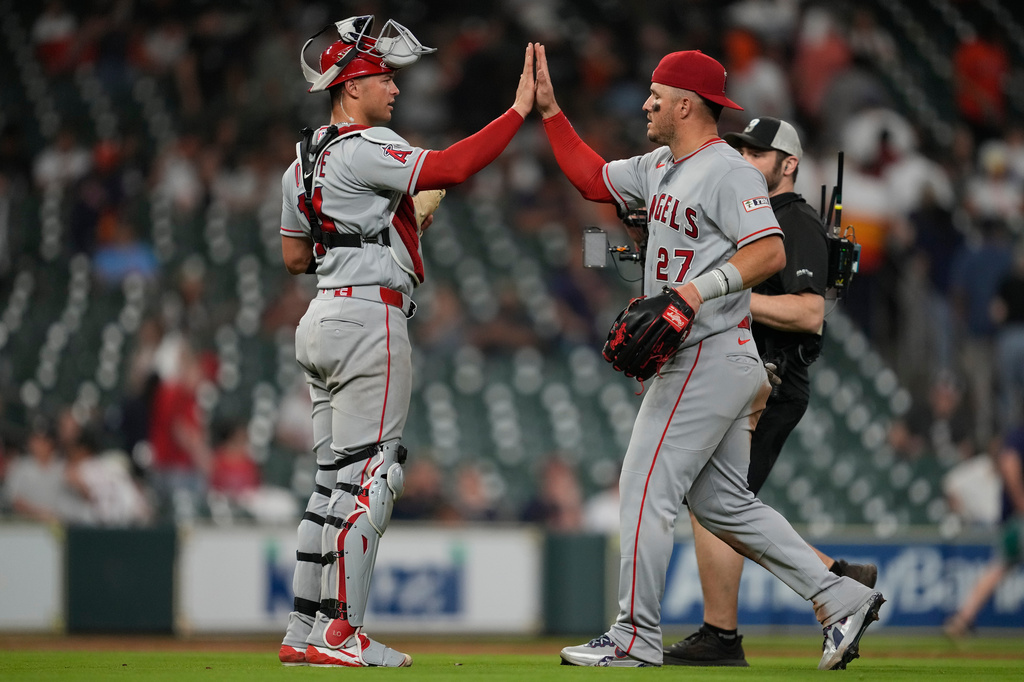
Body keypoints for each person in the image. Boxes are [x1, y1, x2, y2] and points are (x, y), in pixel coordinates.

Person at [532, 45, 884, 669]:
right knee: (724, 505)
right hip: (708, 355)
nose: (646, 103)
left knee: (644, 488)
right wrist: (553, 112)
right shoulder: (663, 163)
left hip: (709, 350)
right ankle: (838, 595)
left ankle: (633, 636)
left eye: (657, 96)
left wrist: (696, 290)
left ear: (686, 104)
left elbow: (770, 253)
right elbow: (592, 178)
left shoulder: (729, 172)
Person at [276, 16, 536, 668]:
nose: (393, 87)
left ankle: (303, 633)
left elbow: (292, 256)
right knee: (375, 475)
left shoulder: (300, 161)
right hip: (369, 321)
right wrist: (517, 111)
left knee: (330, 483)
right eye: (383, 76)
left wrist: (379, 233)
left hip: (321, 317)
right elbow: (451, 165)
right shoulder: (367, 145)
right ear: (350, 83)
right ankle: (343, 635)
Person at [662, 116, 877, 666]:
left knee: (719, 503)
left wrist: (727, 299)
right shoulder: (745, 213)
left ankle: (727, 632)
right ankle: (835, 579)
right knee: (717, 502)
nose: (746, 158)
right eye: (741, 149)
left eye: (759, 152)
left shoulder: (795, 219)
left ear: (789, 165)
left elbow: (810, 314)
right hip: (743, 375)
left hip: (773, 378)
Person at [944, 426, 1024, 637]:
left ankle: (962, 619)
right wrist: (1021, 503)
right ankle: (962, 619)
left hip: (1013, 521)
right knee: (999, 566)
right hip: (1019, 520)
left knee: (998, 567)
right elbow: (1010, 464)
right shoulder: (1019, 436)